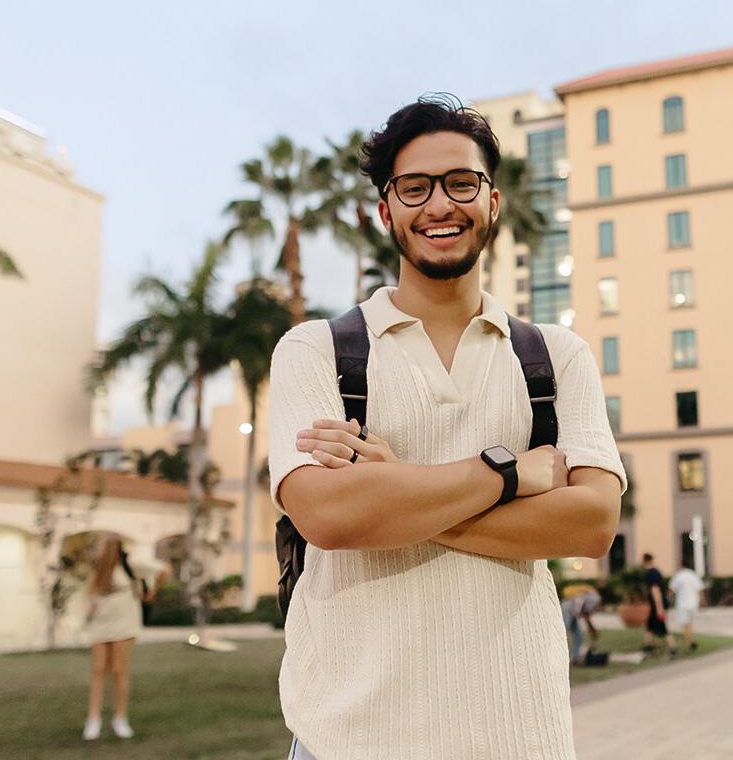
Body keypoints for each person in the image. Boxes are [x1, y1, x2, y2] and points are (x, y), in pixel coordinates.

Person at [269, 94, 627, 760]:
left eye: (462, 183)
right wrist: (511, 475)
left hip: (518, 735)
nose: (440, 205)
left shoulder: (555, 356)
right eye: (414, 188)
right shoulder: (316, 351)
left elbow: (591, 524)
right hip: (349, 740)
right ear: (386, 211)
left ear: (492, 201)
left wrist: (392, 489)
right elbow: (326, 517)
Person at [82, 534, 168, 741]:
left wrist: (151, 592)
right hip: (100, 624)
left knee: (119, 670)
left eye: (101, 545)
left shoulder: (130, 564)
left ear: (111, 547)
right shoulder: (96, 569)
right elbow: (92, 594)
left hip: (124, 624)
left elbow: (164, 570)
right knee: (98, 669)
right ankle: (93, 719)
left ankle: (120, 718)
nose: (97, 549)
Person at [642, 552, 676, 656]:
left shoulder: (652, 573)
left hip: (657, 605)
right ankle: (648, 645)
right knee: (650, 626)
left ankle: (673, 647)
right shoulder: (656, 571)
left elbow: (655, 590)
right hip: (655, 605)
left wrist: (659, 608)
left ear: (645, 561)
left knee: (662, 627)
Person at [561, 583, 602, 666]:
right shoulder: (595, 598)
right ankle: (560, 659)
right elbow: (579, 600)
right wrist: (576, 611)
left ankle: (575, 658)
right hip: (567, 610)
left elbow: (585, 613)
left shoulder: (592, 595)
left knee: (579, 636)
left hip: (572, 614)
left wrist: (591, 628)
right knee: (562, 635)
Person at [668, 562, 704, 651]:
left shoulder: (678, 576)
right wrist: (701, 601)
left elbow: (671, 590)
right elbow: (700, 590)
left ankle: (689, 643)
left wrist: (668, 600)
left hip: (682, 604)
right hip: (694, 603)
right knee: (690, 623)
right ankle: (692, 640)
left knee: (685, 624)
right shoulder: (693, 575)